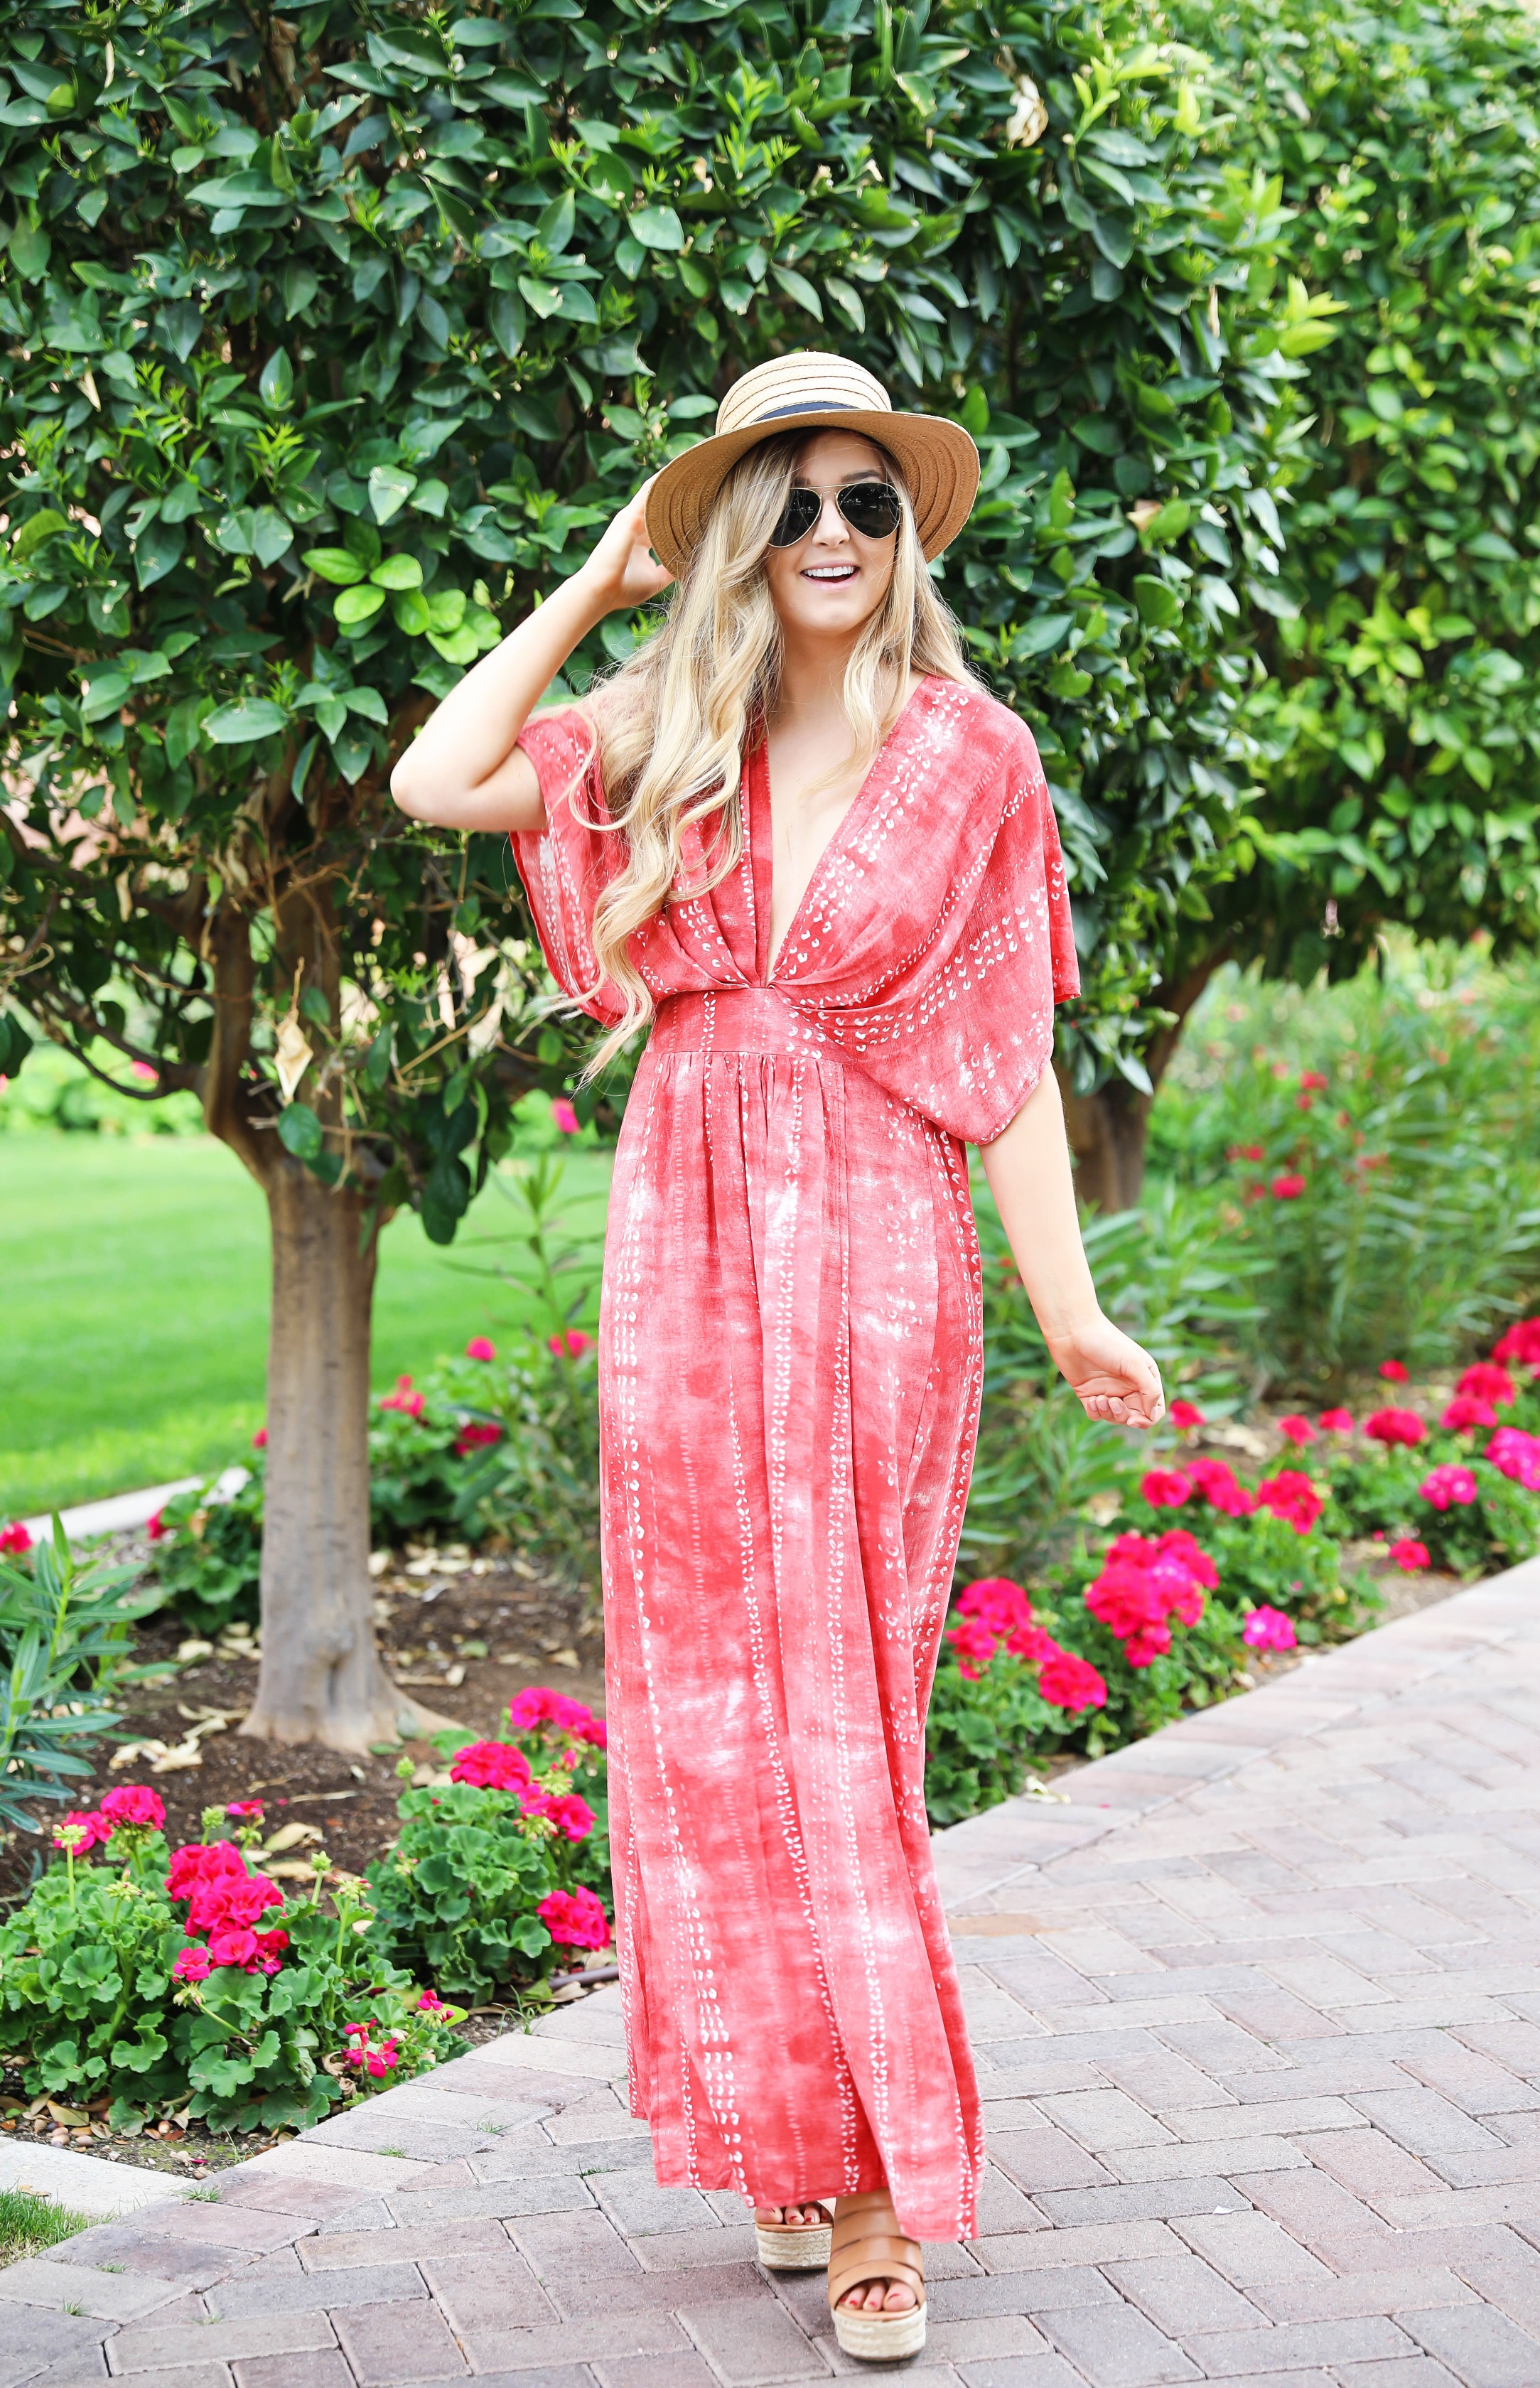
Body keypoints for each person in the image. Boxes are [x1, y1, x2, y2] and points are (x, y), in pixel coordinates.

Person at [392, 351, 1165, 2362]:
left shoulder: (975, 757)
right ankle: (787, 2147)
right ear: (741, 526)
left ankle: (883, 2202)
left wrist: (1071, 1308)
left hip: (887, 1253)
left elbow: (1008, 1066)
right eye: (794, 497)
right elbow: (432, 777)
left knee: (846, 1726)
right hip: (684, 1242)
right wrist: (598, 583)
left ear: (909, 536)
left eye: (867, 502)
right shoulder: (664, 731)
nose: (833, 531)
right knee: (709, 1718)